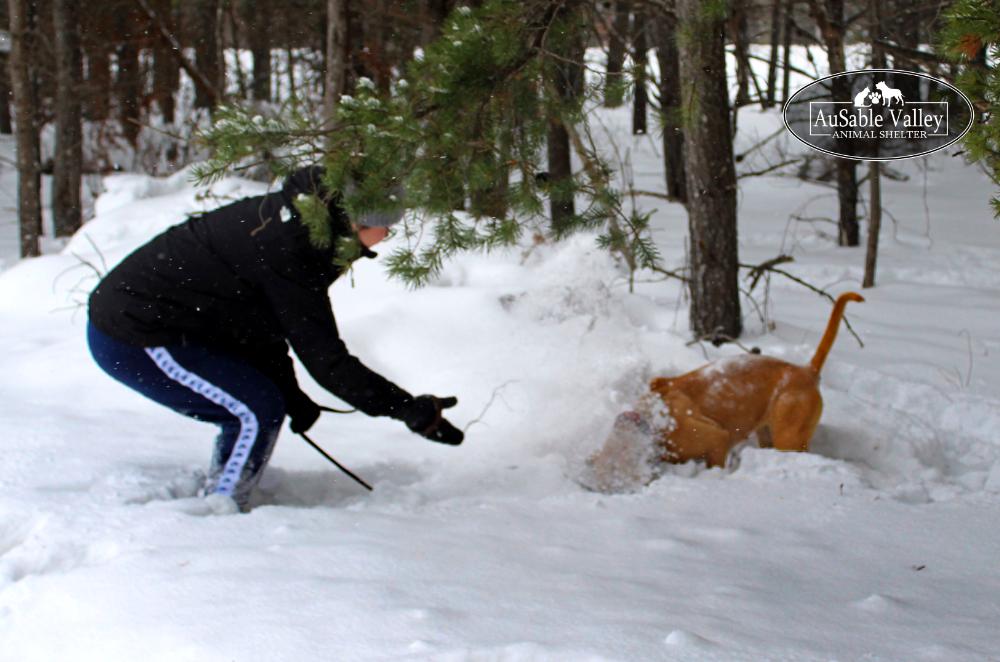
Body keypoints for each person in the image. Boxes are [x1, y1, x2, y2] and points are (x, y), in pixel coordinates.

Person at [87, 166, 463, 511]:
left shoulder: (300, 223)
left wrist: (289, 390)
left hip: (174, 323)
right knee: (253, 410)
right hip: (133, 334)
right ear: (356, 222)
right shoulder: (293, 249)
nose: (387, 236)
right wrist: (407, 408)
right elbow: (328, 361)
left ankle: (224, 491)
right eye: (388, 227)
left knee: (262, 402)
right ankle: (219, 509)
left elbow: (259, 324)